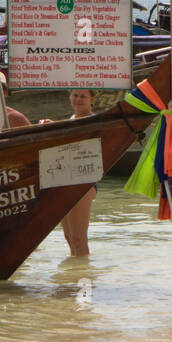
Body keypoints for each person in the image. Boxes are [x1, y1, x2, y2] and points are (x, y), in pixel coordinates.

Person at [59, 88, 99, 256]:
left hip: (84, 182)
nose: (78, 99)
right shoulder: (70, 120)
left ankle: (84, 279)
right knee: (69, 237)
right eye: (75, 95)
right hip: (63, 180)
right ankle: (74, 276)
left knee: (78, 239)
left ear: (92, 99)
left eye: (83, 96)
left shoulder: (96, 121)